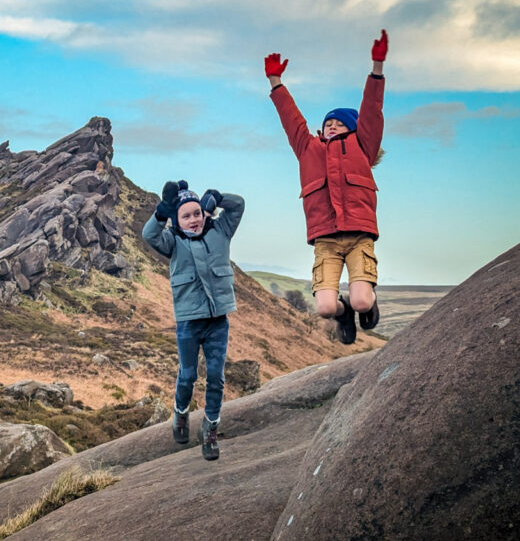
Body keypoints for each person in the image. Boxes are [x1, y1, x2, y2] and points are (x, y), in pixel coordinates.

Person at [264, 29, 388, 344]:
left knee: (363, 301)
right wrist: (276, 83)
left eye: (339, 123)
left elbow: (372, 111)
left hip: (359, 236)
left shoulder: (362, 145)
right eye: (328, 123)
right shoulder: (308, 148)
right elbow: (291, 119)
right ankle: (345, 313)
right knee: (325, 308)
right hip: (326, 240)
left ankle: (364, 305)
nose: (332, 126)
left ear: (353, 128)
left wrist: (376, 69)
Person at [142, 181, 245, 460]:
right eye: (186, 215)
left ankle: (210, 429)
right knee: (187, 376)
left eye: (197, 213)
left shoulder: (221, 231)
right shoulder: (172, 241)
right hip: (188, 322)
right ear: (177, 219)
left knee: (216, 377)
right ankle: (181, 413)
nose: (193, 220)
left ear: (204, 212)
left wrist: (219, 198)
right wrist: (162, 212)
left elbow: (238, 205)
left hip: (217, 321)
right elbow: (149, 234)